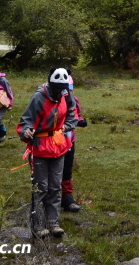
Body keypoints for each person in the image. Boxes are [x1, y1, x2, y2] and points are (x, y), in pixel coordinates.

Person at [17, 67, 77, 239]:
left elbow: (73, 113)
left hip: (58, 146)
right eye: (57, 88)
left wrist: (67, 126)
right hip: (40, 147)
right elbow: (25, 121)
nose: (60, 91)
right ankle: (38, 225)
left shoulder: (66, 94)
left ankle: (53, 224)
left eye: (62, 88)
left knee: (55, 186)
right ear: (51, 85)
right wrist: (27, 131)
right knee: (41, 186)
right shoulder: (39, 97)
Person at [61, 74, 88, 213]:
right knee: (51, 171)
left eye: (70, 90)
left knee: (67, 169)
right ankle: (48, 198)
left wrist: (80, 121)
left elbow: (76, 114)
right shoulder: (50, 100)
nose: (68, 92)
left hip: (69, 141)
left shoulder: (74, 100)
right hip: (52, 142)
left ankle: (67, 198)